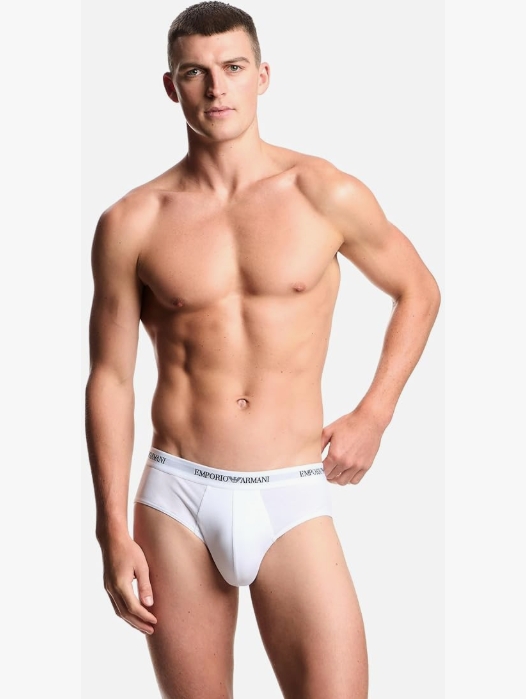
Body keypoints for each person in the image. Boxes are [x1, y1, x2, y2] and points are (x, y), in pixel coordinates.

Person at [85, 2, 441, 697]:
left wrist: (375, 413)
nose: (217, 88)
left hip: (290, 491)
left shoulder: (324, 192)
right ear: (172, 87)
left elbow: (418, 290)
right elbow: (110, 379)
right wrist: (111, 532)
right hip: (178, 495)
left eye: (233, 67)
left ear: (263, 76)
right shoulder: (132, 220)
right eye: (196, 72)